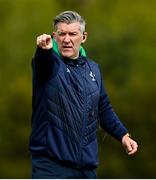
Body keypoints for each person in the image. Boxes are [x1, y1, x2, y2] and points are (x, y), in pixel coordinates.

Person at [29, 11, 138, 179]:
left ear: (83, 37)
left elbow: (103, 107)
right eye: (62, 34)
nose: (66, 39)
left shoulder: (93, 69)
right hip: (50, 168)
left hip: (86, 169)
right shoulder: (49, 64)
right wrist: (42, 50)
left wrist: (123, 135)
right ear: (54, 36)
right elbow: (43, 63)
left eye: (72, 34)